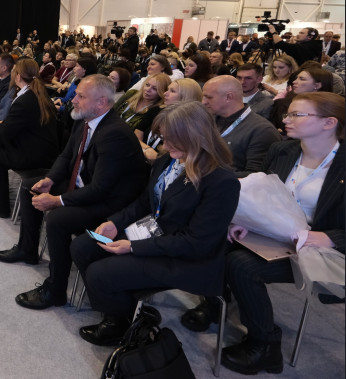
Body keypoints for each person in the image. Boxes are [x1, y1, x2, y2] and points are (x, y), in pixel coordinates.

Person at [183, 92, 344, 375]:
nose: (286, 119)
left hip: (319, 246)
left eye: (297, 114)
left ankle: (265, 345)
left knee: (241, 266)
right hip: (276, 234)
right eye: (288, 113)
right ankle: (215, 303)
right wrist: (246, 221)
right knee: (212, 238)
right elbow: (263, 196)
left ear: (329, 123)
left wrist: (329, 237)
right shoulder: (283, 150)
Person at [71, 101, 239, 345]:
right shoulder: (168, 159)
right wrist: (115, 223)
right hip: (155, 236)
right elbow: (145, 202)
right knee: (83, 247)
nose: (165, 145)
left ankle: (122, 324)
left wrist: (133, 247)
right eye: (164, 138)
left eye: (172, 139)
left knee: (100, 273)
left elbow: (196, 243)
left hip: (186, 258)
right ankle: (123, 311)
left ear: (195, 136)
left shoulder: (220, 181)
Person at [3, 74, 147, 308]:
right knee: (32, 186)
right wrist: (50, 180)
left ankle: (55, 290)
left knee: (58, 220)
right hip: (85, 185)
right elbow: (67, 155)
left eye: (81, 96)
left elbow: (101, 189)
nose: (74, 100)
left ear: (101, 102)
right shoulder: (85, 119)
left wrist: (58, 200)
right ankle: (27, 249)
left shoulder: (115, 134)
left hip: (109, 204)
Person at [0, 58, 59, 218]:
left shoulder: (24, 100)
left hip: (36, 155)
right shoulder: (38, 93)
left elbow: (4, 133)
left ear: (18, 76)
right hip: (44, 150)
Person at [201, 76, 281, 174]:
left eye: (209, 97)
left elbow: (256, 176)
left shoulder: (262, 131)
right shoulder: (208, 120)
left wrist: (209, 176)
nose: (203, 102)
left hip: (228, 182)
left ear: (228, 97)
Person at [140, 78, 202, 163]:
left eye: (172, 91)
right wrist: (147, 149)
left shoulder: (189, 127)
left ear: (185, 97)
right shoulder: (157, 110)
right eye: (167, 89)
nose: (165, 93)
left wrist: (158, 160)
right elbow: (137, 135)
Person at [112, 74, 171, 141]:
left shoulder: (155, 111)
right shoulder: (131, 93)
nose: (148, 89)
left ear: (162, 92)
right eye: (147, 85)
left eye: (154, 89)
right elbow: (112, 110)